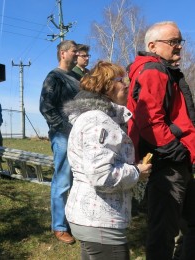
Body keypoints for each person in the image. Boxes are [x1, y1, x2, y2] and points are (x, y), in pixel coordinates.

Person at [64, 61, 151, 259]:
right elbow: (102, 176)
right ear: (106, 86)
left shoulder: (97, 118)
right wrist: (137, 172)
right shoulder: (98, 120)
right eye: (121, 80)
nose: (127, 84)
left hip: (93, 219)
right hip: (100, 221)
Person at [126, 21, 195, 259]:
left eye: (179, 41)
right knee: (162, 234)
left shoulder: (162, 70)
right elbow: (150, 122)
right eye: (172, 42)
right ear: (153, 46)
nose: (179, 47)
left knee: (181, 226)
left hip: (174, 160)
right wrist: (179, 153)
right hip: (168, 164)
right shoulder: (154, 70)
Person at [39, 40, 80, 244]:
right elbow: (46, 107)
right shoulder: (54, 77)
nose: (77, 54)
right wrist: (66, 129)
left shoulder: (75, 77)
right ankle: (59, 226)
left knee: (79, 179)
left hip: (79, 135)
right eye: (74, 51)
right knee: (63, 180)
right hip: (63, 135)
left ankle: (74, 219)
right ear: (63, 53)